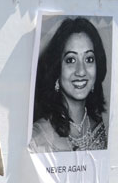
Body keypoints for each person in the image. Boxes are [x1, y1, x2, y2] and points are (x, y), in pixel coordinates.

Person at [30, 16, 109, 152]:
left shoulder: (104, 127)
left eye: (89, 59)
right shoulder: (37, 138)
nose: (81, 71)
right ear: (57, 69)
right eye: (71, 60)